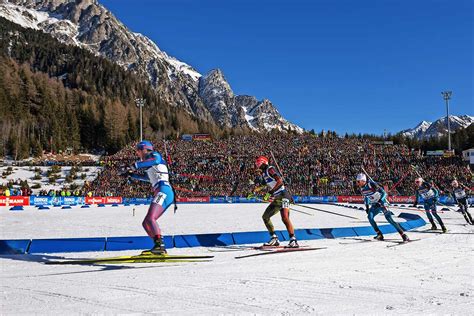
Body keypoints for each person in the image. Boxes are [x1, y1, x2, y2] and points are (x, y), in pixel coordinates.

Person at [125, 140, 175, 255]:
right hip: (161, 191)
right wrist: (131, 174)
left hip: (164, 191)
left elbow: (156, 160)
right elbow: (148, 178)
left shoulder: (154, 155)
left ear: (144, 149)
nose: (137, 153)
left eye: (138, 150)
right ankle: (157, 246)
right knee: (146, 222)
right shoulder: (150, 164)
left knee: (151, 218)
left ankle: (160, 246)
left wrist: (135, 165)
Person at [253, 156, 298, 248]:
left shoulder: (270, 169)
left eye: (258, 163)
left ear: (263, 162)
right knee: (265, 217)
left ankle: (293, 240)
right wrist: (254, 191)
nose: (257, 165)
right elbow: (265, 184)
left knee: (285, 218)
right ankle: (274, 238)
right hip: (278, 197)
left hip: (283, 195)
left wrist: (270, 193)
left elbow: (280, 182)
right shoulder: (264, 174)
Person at [356, 173, 409, 241]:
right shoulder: (362, 188)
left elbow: (384, 193)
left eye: (358, 181)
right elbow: (366, 197)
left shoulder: (371, 184)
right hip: (375, 204)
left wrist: (380, 201)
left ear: (363, 180)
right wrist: (367, 207)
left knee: (389, 219)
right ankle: (379, 234)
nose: (357, 183)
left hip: (382, 203)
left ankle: (403, 234)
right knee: (370, 217)